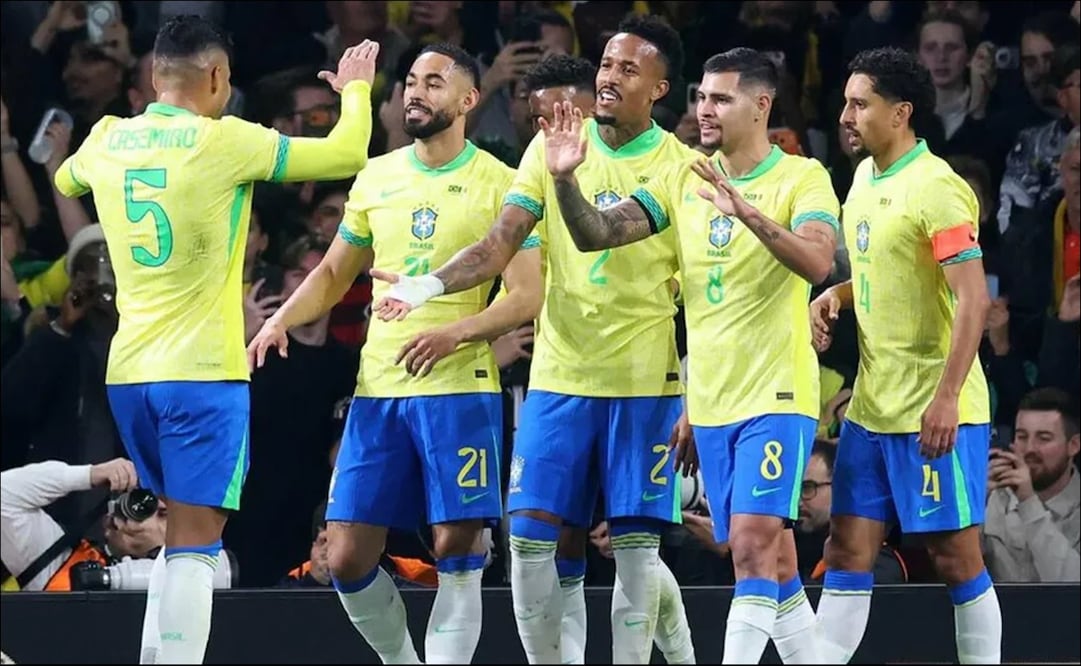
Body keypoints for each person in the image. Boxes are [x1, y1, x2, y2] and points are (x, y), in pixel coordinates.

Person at [369, 16, 698, 665]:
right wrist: (426, 286)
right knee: (528, 541)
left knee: (635, 555)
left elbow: (599, 232)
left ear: (659, 88)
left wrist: (567, 179)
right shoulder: (550, 147)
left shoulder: (680, 169)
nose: (607, 77)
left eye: (627, 69)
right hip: (558, 377)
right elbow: (497, 246)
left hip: (642, 380)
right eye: (605, 63)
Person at [52, 15, 379, 664]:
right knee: (198, 549)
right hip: (201, 375)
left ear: (152, 77)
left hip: (130, 375)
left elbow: (66, 180)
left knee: (177, 540)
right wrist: (358, 91)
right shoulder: (224, 140)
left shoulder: (110, 137)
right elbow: (346, 154)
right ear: (217, 77)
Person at [545, 47, 840, 664]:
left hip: (777, 391)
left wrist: (748, 212)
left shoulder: (802, 178)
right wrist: (565, 181)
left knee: (753, 546)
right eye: (701, 97)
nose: (704, 110)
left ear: (761, 106)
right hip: (710, 401)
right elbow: (598, 233)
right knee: (773, 564)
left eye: (721, 98)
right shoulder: (684, 178)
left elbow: (817, 262)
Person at [248, 42, 539, 665]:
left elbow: (527, 296)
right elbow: (332, 272)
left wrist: (455, 334)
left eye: (435, 83)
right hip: (379, 391)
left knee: (456, 546)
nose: (416, 92)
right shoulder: (377, 176)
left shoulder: (503, 183)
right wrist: (280, 321)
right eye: (410, 81)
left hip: (459, 387)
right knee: (349, 555)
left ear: (468, 100)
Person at [810, 47, 999, 664]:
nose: (847, 115)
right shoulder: (863, 179)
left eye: (860, 103)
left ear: (901, 113)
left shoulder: (938, 188)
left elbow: (972, 301)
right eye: (846, 102)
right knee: (845, 552)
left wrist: (946, 397)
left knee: (954, 557)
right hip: (871, 406)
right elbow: (882, 275)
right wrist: (838, 294)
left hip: (933, 409)